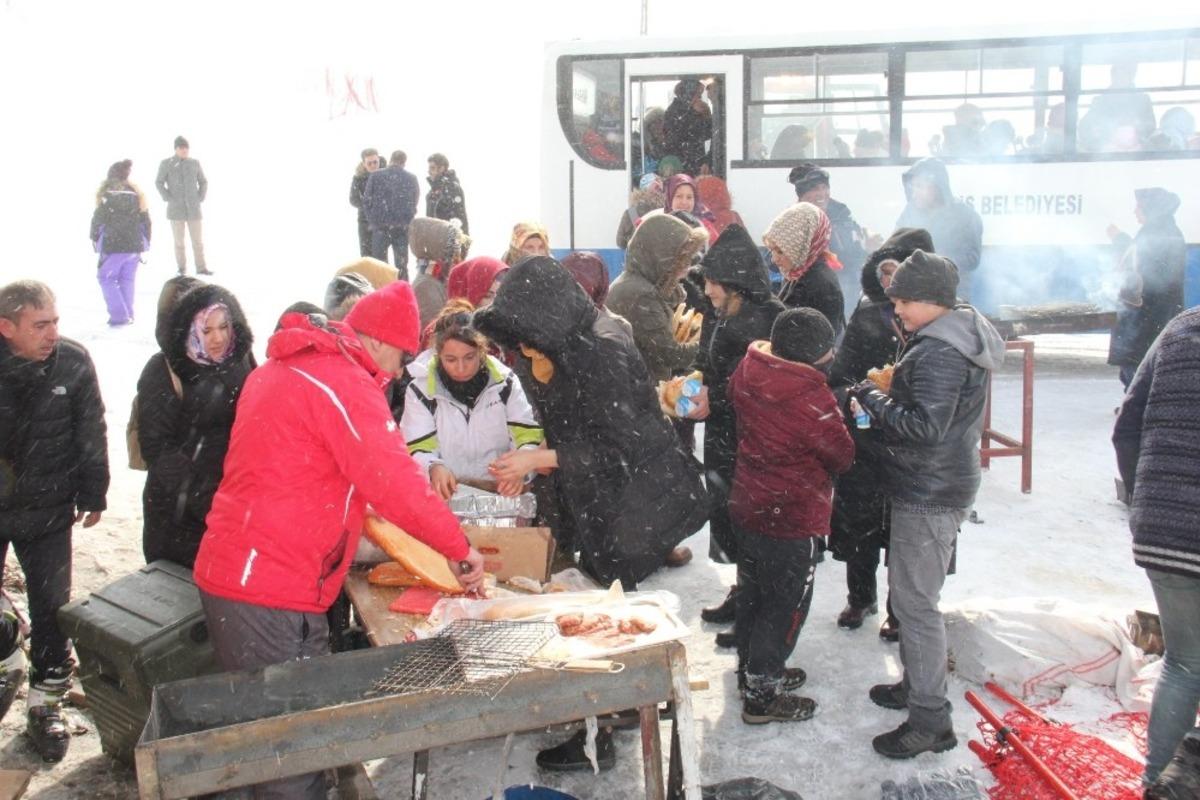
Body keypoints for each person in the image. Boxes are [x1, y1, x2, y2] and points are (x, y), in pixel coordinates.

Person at [193, 281, 484, 799]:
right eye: (398, 353)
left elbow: (306, 471)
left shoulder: (289, 368)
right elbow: (395, 482)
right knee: (292, 749)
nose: (397, 370)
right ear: (375, 341)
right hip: (267, 585)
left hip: (243, 573)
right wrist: (458, 549)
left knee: (265, 738)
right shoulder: (342, 384)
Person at [475, 256, 708, 772]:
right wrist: (534, 471)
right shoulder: (549, 346)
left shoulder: (602, 351)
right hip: (595, 498)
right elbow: (562, 428)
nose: (522, 350)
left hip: (637, 498)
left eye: (527, 339)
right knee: (599, 602)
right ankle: (616, 711)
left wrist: (543, 459)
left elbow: (619, 449)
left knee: (609, 613)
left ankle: (600, 732)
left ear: (549, 318)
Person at [847, 251, 1004, 759]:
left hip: (930, 491)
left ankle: (930, 719)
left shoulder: (940, 350)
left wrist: (872, 397)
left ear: (934, 301)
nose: (897, 310)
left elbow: (926, 427)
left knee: (916, 605)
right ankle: (915, 688)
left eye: (904, 301)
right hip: (932, 484)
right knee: (911, 596)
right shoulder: (952, 334)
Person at [0, 280, 108, 763]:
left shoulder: (73, 361)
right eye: (39, 325)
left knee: (51, 608)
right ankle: (7, 656)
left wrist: (94, 491)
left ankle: (47, 701)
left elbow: (91, 427)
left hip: (47, 509)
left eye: (55, 322)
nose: (51, 333)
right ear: (6, 328)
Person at [729, 308, 855, 724]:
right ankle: (762, 696)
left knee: (752, 593)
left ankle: (749, 671)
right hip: (791, 516)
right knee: (783, 605)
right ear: (814, 358)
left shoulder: (749, 371)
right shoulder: (811, 398)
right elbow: (841, 454)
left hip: (748, 503)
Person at [828, 228, 934, 641]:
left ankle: (898, 609)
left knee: (903, 535)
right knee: (860, 521)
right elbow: (841, 375)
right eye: (885, 273)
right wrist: (857, 394)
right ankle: (860, 597)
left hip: (910, 444)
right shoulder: (869, 315)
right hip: (867, 438)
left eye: (899, 273)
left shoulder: (932, 324)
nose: (891, 283)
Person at [1113, 307, 1200, 796]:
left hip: (1162, 530)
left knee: (1186, 664)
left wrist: (1148, 494)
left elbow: (1126, 425)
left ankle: (1159, 783)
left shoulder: (1181, 327)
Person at [680, 225, 784, 636]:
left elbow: (762, 388)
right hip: (724, 434)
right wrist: (693, 385)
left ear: (734, 282)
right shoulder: (723, 314)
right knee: (730, 514)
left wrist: (715, 398)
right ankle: (743, 592)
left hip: (752, 439)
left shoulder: (767, 319)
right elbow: (711, 364)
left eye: (711, 282)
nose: (706, 290)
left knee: (750, 522)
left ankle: (754, 612)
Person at [138, 283, 255, 568]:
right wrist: (204, 498)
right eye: (206, 330)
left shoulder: (240, 359)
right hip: (179, 514)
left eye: (224, 327)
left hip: (233, 501)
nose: (218, 338)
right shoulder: (164, 370)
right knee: (181, 598)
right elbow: (157, 448)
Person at [402, 301, 543, 499]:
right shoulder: (420, 390)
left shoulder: (506, 383)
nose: (461, 368)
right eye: (450, 360)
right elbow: (416, 446)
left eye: (469, 357)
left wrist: (520, 470)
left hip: (498, 492)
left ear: (482, 350)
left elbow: (527, 436)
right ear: (438, 354)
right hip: (446, 493)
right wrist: (432, 467)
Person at [608, 212, 708, 385]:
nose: (686, 269)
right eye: (680, 260)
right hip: (638, 391)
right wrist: (710, 344)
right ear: (661, 257)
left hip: (631, 387)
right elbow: (669, 354)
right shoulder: (640, 295)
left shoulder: (634, 283)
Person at [1106, 188, 1186, 389]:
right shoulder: (1167, 231)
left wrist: (1119, 239)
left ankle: (1137, 410)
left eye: (1139, 207)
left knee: (1138, 365)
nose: (1135, 212)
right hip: (1157, 313)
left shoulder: (1157, 233)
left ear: (1151, 209)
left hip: (1146, 316)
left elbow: (1139, 269)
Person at [788, 163, 873, 314]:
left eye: (824, 187)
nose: (822, 193)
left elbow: (856, 253)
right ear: (802, 195)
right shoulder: (792, 221)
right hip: (810, 294)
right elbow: (778, 262)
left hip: (847, 288)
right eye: (814, 189)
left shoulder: (842, 214)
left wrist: (867, 246)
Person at [895, 158, 983, 301]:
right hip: (916, 293)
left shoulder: (965, 215)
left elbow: (972, 258)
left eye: (920, 186)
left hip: (951, 293)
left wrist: (933, 261)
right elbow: (897, 242)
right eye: (913, 187)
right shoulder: (910, 212)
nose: (914, 192)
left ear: (937, 187)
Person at [764, 202, 846, 338]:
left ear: (803, 246)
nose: (774, 259)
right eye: (772, 250)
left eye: (780, 251)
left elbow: (818, 342)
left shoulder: (821, 284)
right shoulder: (798, 271)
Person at [91, 159, 151, 326]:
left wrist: (94, 239)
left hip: (114, 245)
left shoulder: (107, 198)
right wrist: (144, 243)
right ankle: (128, 313)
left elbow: (97, 221)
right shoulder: (137, 196)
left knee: (106, 278)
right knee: (127, 279)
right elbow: (146, 221)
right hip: (134, 246)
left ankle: (119, 316)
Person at [155, 136, 209, 275]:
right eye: (181, 148)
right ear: (176, 149)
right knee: (179, 243)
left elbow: (203, 182)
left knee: (198, 242)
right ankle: (182, 269)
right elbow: (159, 182)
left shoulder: (194, 163)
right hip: (175, 210)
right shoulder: (166, 164)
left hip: (194, 210)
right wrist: (167, 197)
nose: (184, 150)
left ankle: (201, 268)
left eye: (186, 148)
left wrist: (200, 197)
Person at [364, 150, 420, 279]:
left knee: (380, 266)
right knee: (401, 266)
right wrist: (408, 216)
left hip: (380, 227)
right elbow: (415, 199)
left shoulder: (376, 176)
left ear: (390, 160)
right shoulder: (411, 178)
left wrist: (373, 220)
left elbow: (367, 201)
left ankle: (383, 293)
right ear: (404, 163)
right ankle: (403, 293)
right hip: (402, 227)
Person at [1079, 62, 1157, 153]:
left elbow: (1151, 125)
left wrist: (1136, 124)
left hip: (1138, 151)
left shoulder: (1143, 100)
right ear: (1112, 76)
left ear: (1131, 76)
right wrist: (1108, 128)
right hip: (1106, 152)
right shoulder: (1100, 101)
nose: (1120, 78)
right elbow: (1086, 126)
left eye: (1124, 74)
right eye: (1117, 74)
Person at [409, 217, 471, 330]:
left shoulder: (435, 277)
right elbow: (433, 331)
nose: (457, 258)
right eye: (454, 251)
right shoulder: (427, 286)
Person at [662, 78, 712, 177]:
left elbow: (708, 134)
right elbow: (677, 137)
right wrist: (694, 113)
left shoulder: (694, 112)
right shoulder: (674, 111)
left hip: (695, 162)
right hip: (680, 164)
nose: (700, 99)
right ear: (689, 95)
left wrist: (707, 115)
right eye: (699, 95)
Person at [349, 148, 384, 256]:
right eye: (369, 163)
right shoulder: (358, 178)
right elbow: (353, 199)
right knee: (366, 256)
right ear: (364, 164)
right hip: (365, 221)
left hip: (383, 221)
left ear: (379, 160)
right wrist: (368, 207)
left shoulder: (386, 174)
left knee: (381, 257)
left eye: (375, 162)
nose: (373, 165)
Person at [663, 174, 719, 243]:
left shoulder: (704, 226)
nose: (684, 202)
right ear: (670, 198)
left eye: (689, 197)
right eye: (679, 196)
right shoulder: (661, 224)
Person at [616, 173, 665, 250]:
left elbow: (620, 242)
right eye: (657, 186)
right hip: (661, 258)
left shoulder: (632, 212)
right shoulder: (665, 211)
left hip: (638, 259)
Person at [425, 153, 469, 234]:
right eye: (429, 168)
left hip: (449, 239)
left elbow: (459, 216)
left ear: (442, 168)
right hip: (434, 239)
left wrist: (460, 241)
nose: (429, 171)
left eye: (432, 168)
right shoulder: (432, 192)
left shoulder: (453, 188)